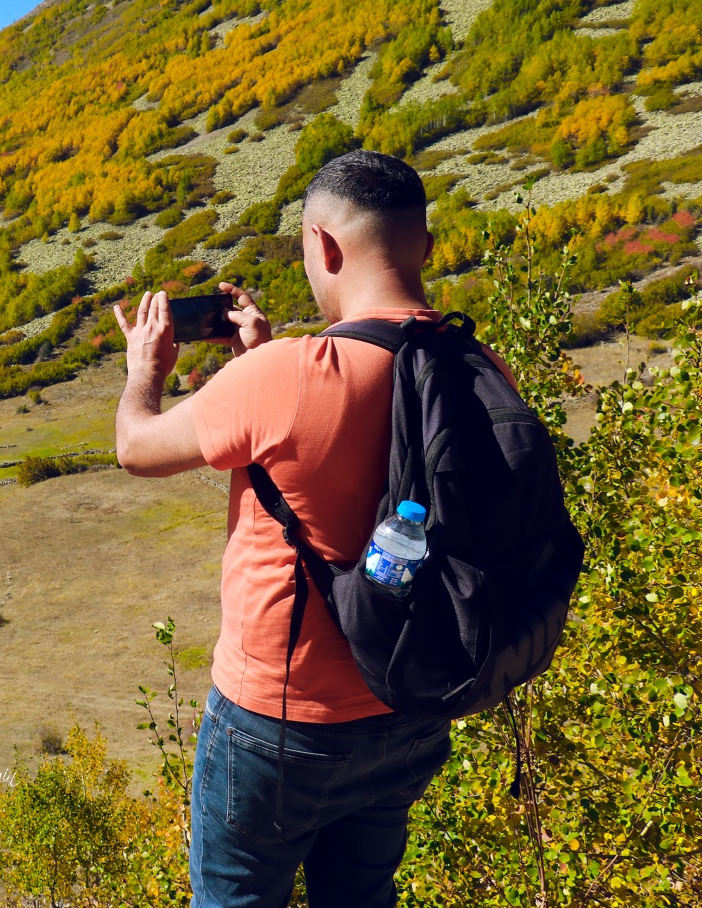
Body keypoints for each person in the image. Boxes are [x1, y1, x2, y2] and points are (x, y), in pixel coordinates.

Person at [113, 150, 485, 907]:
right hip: (413, 705)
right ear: (427, 246)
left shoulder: (285, 372)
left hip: (278, 723)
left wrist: (143, 370)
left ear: (324, 245)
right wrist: (260, 353)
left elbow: (136, 448)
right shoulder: (479, 365)